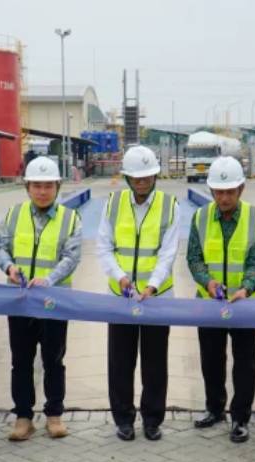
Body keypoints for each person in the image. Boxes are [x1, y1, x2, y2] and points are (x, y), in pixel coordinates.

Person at [0, 156, 82, 441]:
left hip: (54, 301)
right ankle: (23, 417)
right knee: (21, 360)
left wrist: (49, 280)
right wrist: (9, 267)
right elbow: (0, 247)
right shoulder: (14, 214)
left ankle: (54, 415)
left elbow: (71, 256)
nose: (42, 192)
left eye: (48, 186)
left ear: (57, 187)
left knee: (54, 359)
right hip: (20, 301)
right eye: (37, 186)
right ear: (27, 187)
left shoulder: (70, 218)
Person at [97, 146, 180, 442]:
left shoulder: (169, 206)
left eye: (147, 177)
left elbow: (168, 252)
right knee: (120, 361)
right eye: (136, 177)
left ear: (155, 176)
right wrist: (119, 276)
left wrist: (152, 285)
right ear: (127, 178)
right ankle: (123, 419)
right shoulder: (113, 203)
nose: (142, 182)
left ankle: (152, 420)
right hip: (120, 297)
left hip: (157, 297)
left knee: (155, 362)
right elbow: (104, 247)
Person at [187, 156, 255, 443]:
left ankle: (241, 417)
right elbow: (194, 258)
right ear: (211, 191)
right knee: (211, 360)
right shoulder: (200, 218)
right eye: (219, 192)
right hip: (209, 304)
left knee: (244, 363)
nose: (224, 198)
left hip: (244, 305)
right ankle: (214, 408)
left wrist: (246, 288)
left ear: (241, 189)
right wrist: (207, 282)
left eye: (230, 192)